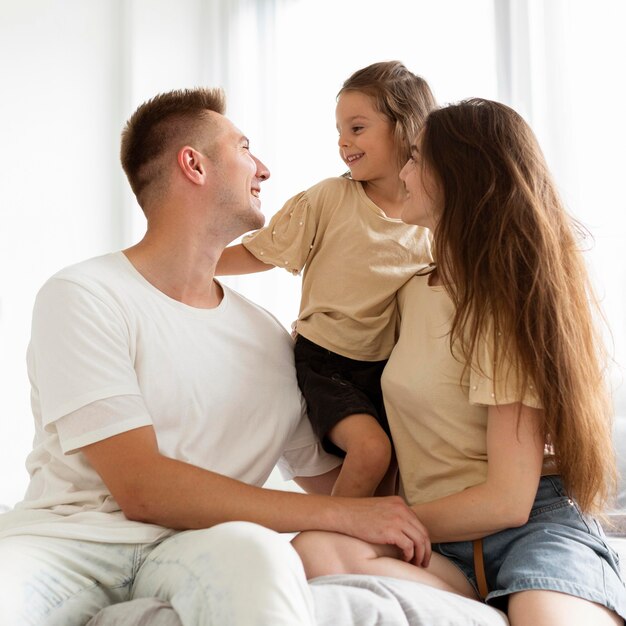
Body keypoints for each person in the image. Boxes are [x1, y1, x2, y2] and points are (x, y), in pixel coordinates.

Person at [0, 87, 432, 626]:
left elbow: (334, 477)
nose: (265, 168)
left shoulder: (269, 339)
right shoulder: (85, 293)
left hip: (200, 548)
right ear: (193, 165)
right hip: (70, 543)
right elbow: (142, 489)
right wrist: (342, 513)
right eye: (245, 147)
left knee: (264, 557)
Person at [292, 98, 626, 625]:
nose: (401, 169)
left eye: (415, 158)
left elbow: (508, 501)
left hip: (532, 530)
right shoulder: (408, 290)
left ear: (458, 176)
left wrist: (376, 519)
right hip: (439, 546)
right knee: (313, 552)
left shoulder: (505, 298)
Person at [217, 61, 436, 497]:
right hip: (326, 362)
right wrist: (195, 260)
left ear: (405, 128)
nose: (343, 142)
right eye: (339, 130)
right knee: (372, 452)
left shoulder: (429, 218)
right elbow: (261, 253)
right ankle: (332, 535)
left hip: (389, 370)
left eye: (357, 128)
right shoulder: (331, 198)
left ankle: (371, 550)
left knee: (396, 474)